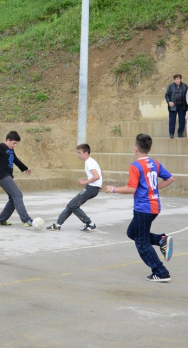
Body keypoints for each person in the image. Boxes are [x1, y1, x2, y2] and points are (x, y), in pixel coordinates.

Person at [105, 134, 174, 283]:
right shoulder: (155, 163)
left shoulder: (135, 166)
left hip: (144, 209)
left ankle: (161, 272)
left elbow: (131, 188)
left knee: (141, 243)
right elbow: (170, 178)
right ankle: (161, 240)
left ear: (136, 148)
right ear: (150, 148)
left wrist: (112, 189)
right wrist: (154, 190)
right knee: (132, 233)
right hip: (154, 207)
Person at [46, 144, 102, 232]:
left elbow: (96, 176)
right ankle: (58, 224)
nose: (78, 155)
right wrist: (99, 185)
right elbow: (100, 172)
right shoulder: (92, 161)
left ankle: (90, 224)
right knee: (71, 205)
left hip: (91, 188)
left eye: (79, 153)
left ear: (86, 153)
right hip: (93, 187)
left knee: (73, 205)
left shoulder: (89, 162)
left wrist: (85, 182)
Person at [164, 73, 188, 138]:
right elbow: (166, 95)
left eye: (178, 79)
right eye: (175, 79)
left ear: (180, 79)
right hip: (173, 106)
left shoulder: (185, 86)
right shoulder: (170, 86)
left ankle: (180, 133)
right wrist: (169, 102)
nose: (176, 80)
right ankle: (171, 133)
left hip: (182, 106)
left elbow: (187, 96)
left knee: (182, 120)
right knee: (172, 120)